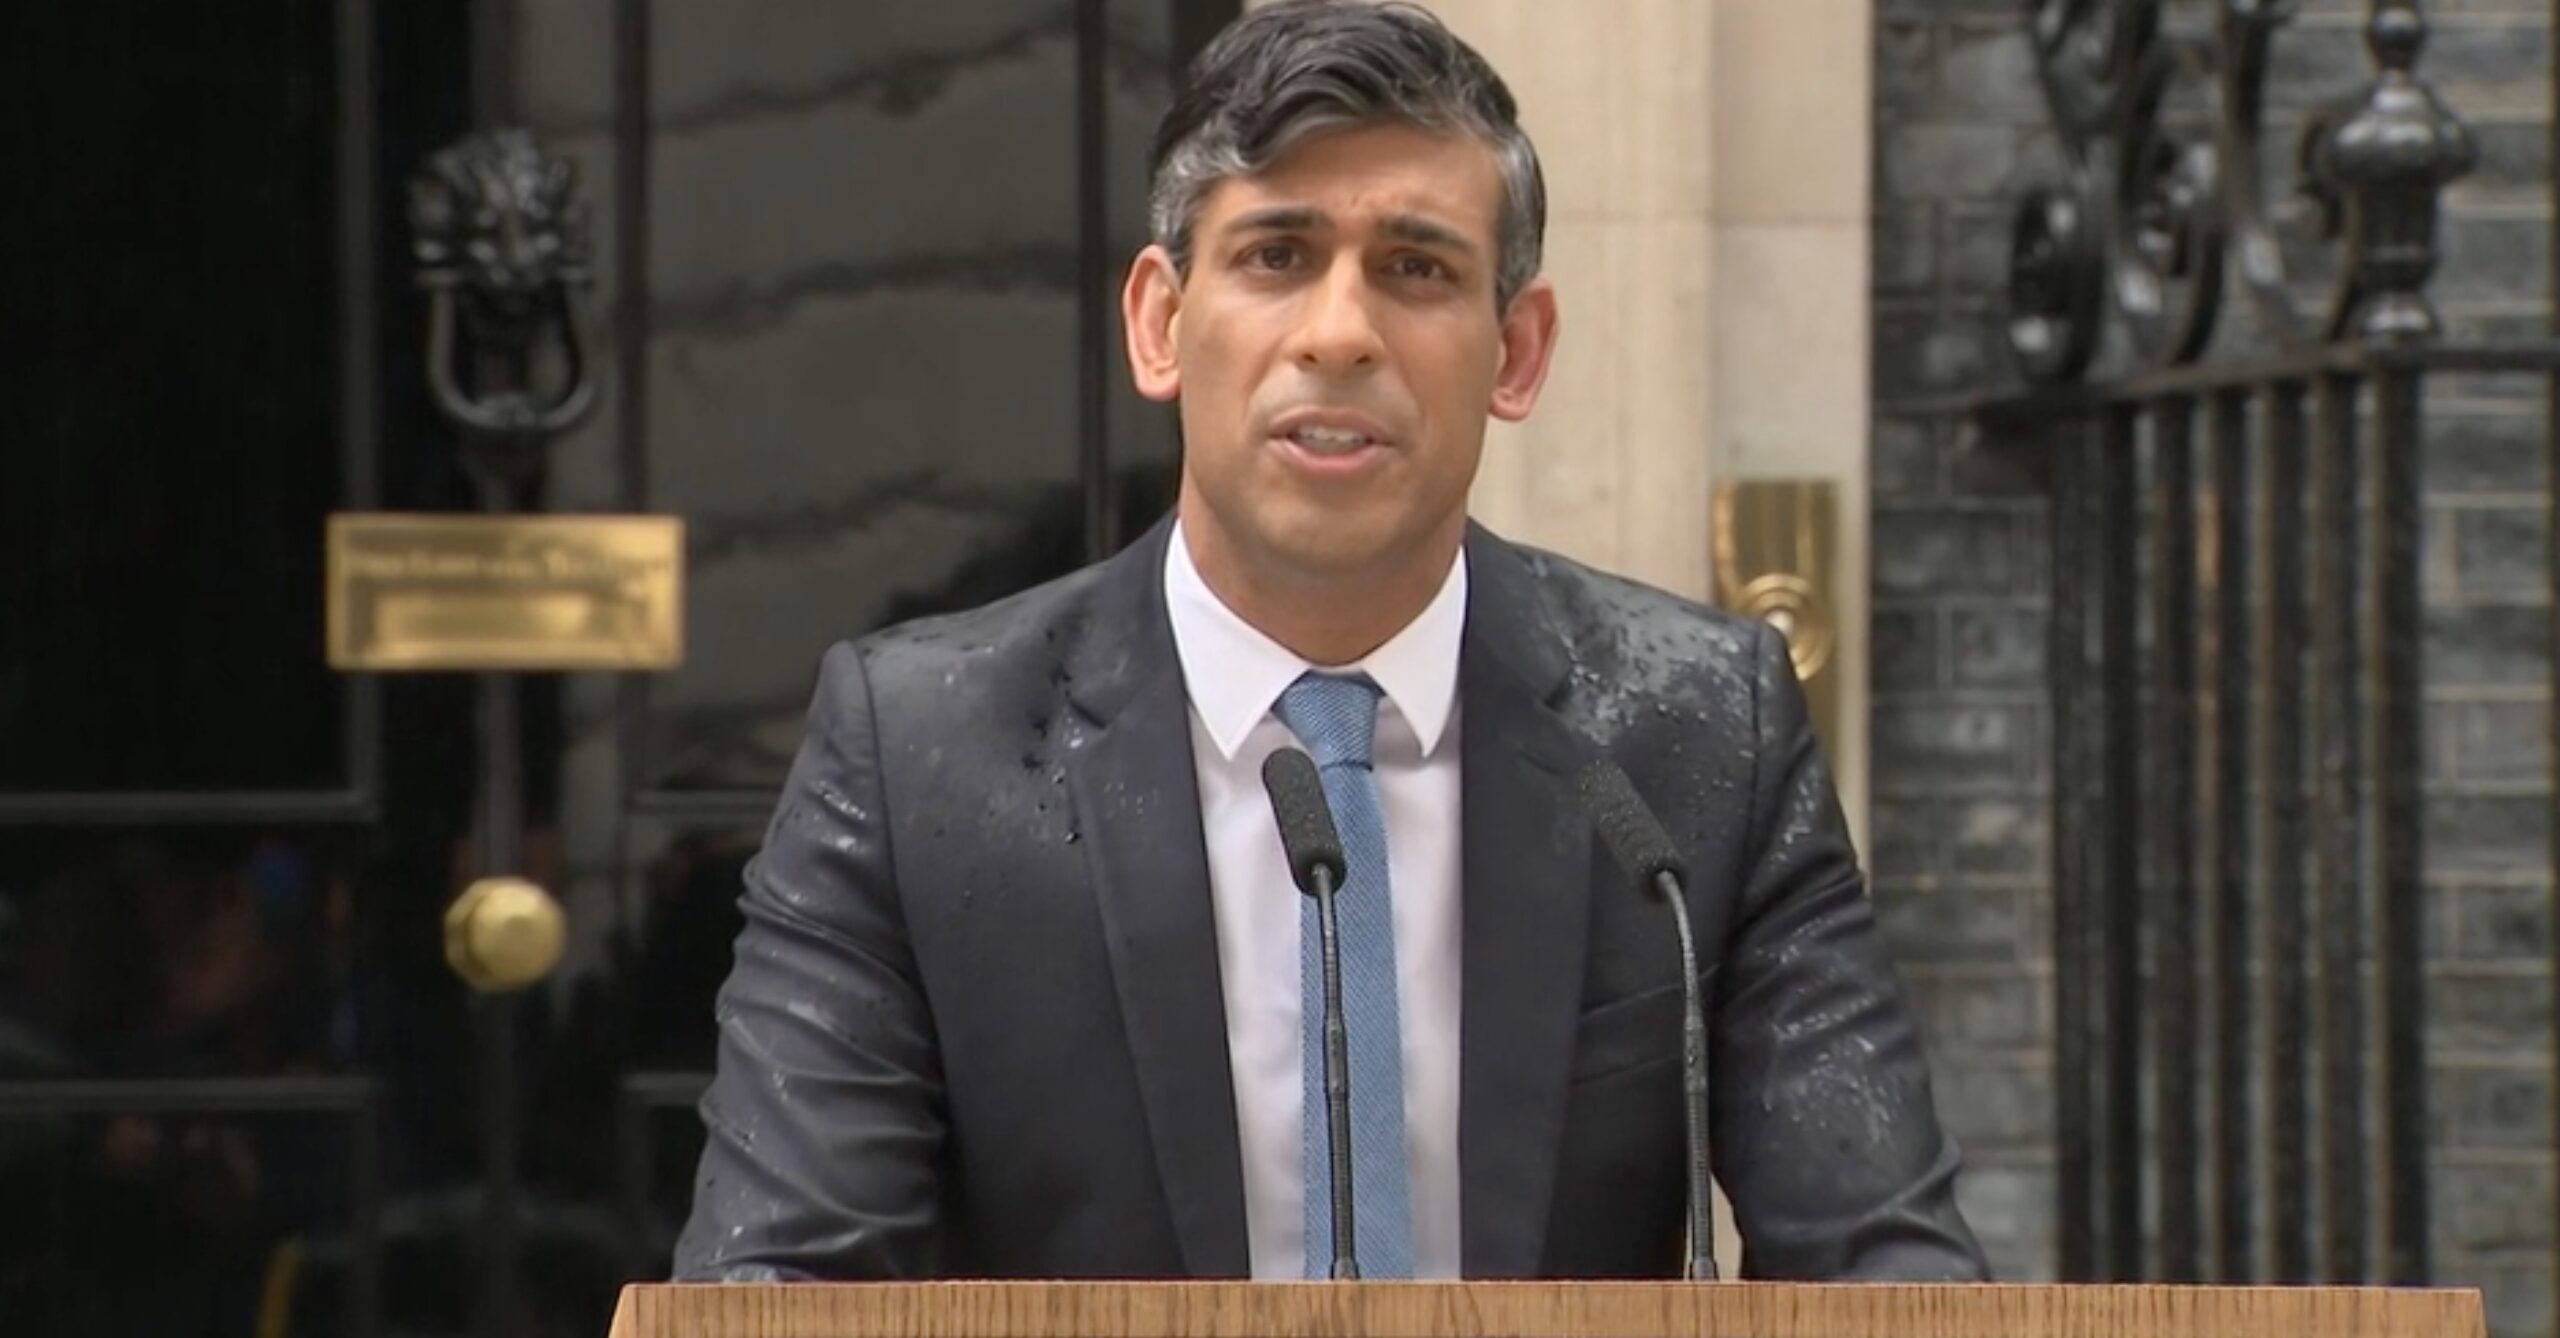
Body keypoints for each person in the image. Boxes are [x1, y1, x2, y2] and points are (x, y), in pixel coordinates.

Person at [675, 0, 1984, 1282]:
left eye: (1416, 267)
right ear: (1158, 323)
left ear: (1515, 353)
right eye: (1276, 256)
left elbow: (1886, 1269)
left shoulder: (1698, 734)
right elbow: (776, 1284)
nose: (1341, 332)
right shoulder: (922, 755)